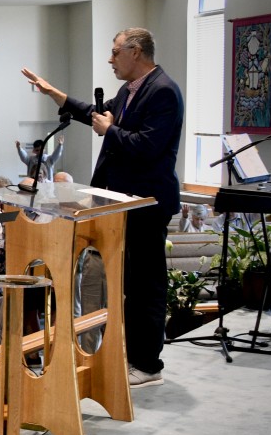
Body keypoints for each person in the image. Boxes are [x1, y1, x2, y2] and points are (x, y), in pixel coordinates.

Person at [23, 26, 183, 388]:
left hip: (147, 202)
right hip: (122, 203)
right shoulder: (131, 90)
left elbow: (149, 147)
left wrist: (110, 131)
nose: (110, 59)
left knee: (146, 287)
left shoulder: (163, 92)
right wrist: (54, 94)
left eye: (115, 52)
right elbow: (96, 114)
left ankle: (148, 364)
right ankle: (132, 355)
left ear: (136, 52)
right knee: (127, 285)